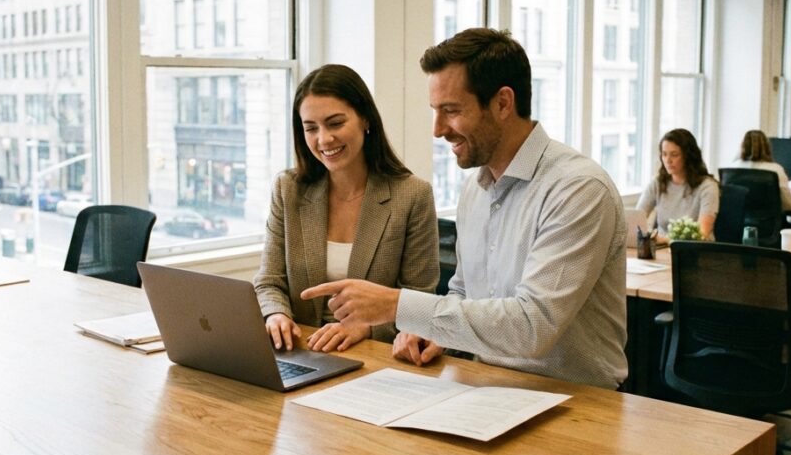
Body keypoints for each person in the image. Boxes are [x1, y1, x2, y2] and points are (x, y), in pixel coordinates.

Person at [299, 29, 628, 390]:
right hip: (488, 386)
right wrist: (433, 332)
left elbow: (533, 326)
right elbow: (463, 292)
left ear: (503, 103)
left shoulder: (578, 188)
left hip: (579, 404)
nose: (438, 130)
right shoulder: (476, 187)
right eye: (435, 112)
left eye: (451, 111)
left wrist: (398, 306)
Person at [253, 64, 439, 354]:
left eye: (335, 123)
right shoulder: (288, 189)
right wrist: (276, 314)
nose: (324, 139)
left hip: (372, 354)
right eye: (311, 128)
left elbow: (420, 300)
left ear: (365, 119)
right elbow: (269, 281)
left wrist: (366, 326)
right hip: (301, 350)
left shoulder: (412, 195)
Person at [636, 129, 719, 242]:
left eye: (674, 155)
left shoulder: (708, 187)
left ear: (688, 156)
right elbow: (637, 218)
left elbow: (701, 234)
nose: (668, 160)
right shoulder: (658, 183)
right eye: (664, 154)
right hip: (661, 250)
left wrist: (664, 240)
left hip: (695, 252)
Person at [729, 129, 791, 211]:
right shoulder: (775, 169)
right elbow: (789, 206)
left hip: (739, 221)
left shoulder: (733, 168)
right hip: (768, 221)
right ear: (767, 147)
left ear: (742, 146)